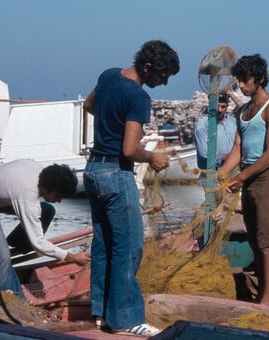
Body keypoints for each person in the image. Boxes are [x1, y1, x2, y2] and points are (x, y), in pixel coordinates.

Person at [82, 40, 179, 337]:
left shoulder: (109, 75)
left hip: (93, 170)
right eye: (162, 76)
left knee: (103, 245)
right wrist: (153, 157)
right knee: (129, 247)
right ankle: (126, 319)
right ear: (147, 67)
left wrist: (109, 125)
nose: (163, 82)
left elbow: (89, 106)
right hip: (115, 173)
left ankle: (100, 312)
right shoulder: (138, 97)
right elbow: (129, 149)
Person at [0, 159, 90, 299]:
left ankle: (19, 242)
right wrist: (72, 257)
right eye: (58, 196)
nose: (60, 201)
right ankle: (10, 300)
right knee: (3, 256)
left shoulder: (41, 174)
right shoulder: (27, 195)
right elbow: (38, 243)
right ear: (48, 189)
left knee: (47, 210)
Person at [218, 54, 269, 307]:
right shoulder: (243, 110)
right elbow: (238, 147)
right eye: (239, 81)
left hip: (265, 179)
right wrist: (223, 173)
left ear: (259, 79)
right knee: (255, 240)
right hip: (248, 177)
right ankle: (260, 293)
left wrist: (241, 177)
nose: (241, 86)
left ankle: (267, 301)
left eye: (245, 81)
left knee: (267, 241)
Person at [194, 93, 237, 170]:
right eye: (217, 106)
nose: (219, 110)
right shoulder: (202, 125)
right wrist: (230, 158)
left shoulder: (234, 122)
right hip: (213, 174)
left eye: (223, 107)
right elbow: (204, 153)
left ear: (227, 106)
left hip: (234, 172)